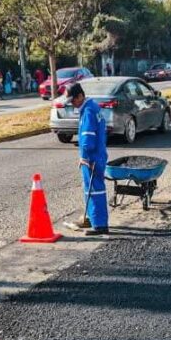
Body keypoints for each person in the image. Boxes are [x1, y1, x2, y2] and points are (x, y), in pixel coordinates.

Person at [69, 83, 109, 236]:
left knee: (95, 190)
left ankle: (99, 226)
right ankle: (92, 219)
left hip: (92, 157)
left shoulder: (88, 111)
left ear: (80, 96)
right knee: (93, 189)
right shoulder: (93, 107)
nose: (73, 104)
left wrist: (85, 157)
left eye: (73, 100)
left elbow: (87, 139)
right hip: (98, 155)